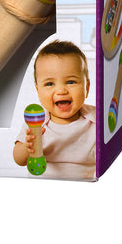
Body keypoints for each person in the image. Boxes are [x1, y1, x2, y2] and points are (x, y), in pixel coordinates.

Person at [13, 40, 96, 179]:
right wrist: (27, 147)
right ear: (38, 91)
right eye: (50, 84)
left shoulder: (96, 119)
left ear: (86, 88)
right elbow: (18, 159)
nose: (61, 90)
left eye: (71, 82)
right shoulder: (37, 122)